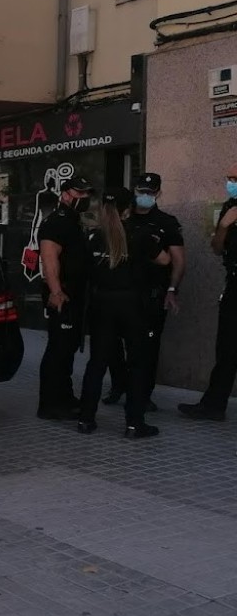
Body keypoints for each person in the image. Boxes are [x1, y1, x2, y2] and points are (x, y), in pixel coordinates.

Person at [77, 188, 169, 438]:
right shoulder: (140, 234)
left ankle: (85, 419)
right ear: (128, 209)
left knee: (97, 363)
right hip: (132, 304)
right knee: (137, 363)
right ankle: (133, 423)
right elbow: (164, 260)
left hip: (101, 303)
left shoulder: (93, 236)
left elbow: (84, 270)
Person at [103, 173, 184, 410]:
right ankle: (119, 385)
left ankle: (142, 394)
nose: (144, 196)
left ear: (158, 193)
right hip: (121, 292)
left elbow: (178, 261)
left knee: (147, 347)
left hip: (151, 293)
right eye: (140, 191)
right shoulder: (123, 220)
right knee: (113, 344)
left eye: (149, 192)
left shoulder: (166, 222)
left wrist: (172, 290)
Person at [179, 163, 237, 421]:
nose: (230, 182)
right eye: (229, 177)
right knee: (227, 348)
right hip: (234, 284)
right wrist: (224, 226)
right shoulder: (229, 207)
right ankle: (213, 405)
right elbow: (216, 248)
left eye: (234, 178)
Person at [36, 175, 94, 420]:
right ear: (67, 193)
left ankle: (65, 396)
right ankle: (51, 403)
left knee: (67, 348)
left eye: (87, 194)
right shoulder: (57, 222)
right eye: (80, 194)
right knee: (58, 348)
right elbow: (49, 258)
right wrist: (56, 292)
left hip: (75, 294)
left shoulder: (72, 220)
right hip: (63, 294)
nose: (85, 198)